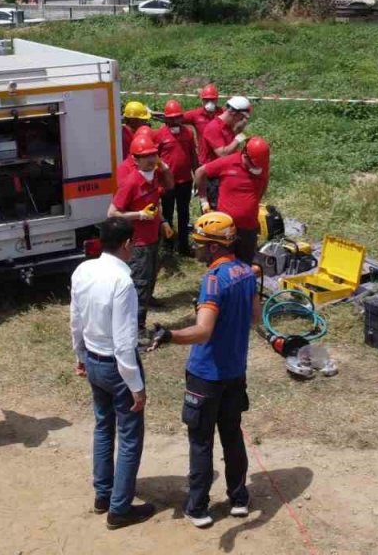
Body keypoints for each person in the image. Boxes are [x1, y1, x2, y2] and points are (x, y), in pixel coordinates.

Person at [148, 212, 261, 529]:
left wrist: (169, 335)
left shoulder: (212, 281)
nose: (195, 248)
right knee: (232, 435)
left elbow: (203, 331)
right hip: (235, 372)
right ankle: (239, 499)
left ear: (213, 247)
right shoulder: (246, 271)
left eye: (198, 243)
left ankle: (197, 507)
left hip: (206, 376)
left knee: (201, 442)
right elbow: (255, 318)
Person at [70, 217, 156, 530]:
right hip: (117, 366)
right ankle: (119, 509)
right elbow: (123, 342)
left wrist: (80, 355)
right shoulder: (123, 282)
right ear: (127, 244)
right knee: (130, 437)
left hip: (93, 359)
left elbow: (76, 319)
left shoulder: (83, 270)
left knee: (103, 427)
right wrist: (136, 385)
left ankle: (103, 494)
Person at [108, 132, 173, 337]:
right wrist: (139, 215)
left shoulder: (153, 178)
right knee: (140, 286)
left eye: (153, 154)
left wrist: (162, 221)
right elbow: (112, 213)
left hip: (152, 239)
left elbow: (157, 202)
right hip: (139, 244)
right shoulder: (131, 182)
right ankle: (135, 331)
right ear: (135, 160)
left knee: (149, 284)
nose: (151, 159)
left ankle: (138, 326)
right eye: (146, 156)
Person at [193, 137, 270, 264]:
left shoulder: (262, 166)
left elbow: (263, 186)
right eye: (253, 164)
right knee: (222, 263)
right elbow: (200, 172)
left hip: (248, 228)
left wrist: (250, 205)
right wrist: (203, 200)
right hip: (225, 228)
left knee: (246, 265)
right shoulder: (228, 162)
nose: (255, 168)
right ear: (245, 155)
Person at [157, 100, 198, 256]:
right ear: (166, 119)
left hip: (185, 181)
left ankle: (183, 246)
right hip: (167, 183)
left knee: (184, 213)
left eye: (177, 117)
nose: (175, 120)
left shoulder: (188, 133)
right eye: (171, 118)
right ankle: (168, 245)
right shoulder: (159, 135)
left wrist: (197, 175)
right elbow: (154, 159)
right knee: (167, 213)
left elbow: (193, 156)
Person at [200, 96, 252, 209]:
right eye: (242, 117)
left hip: (224, 176)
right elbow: (222, 154)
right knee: (216, 213)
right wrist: (238, 139)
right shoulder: (214, 127)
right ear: (233, 113)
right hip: (212, 180)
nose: (242, 120)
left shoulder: (228, 127)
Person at [182, 84, 221, 166]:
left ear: (217, 100)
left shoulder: (223, 114)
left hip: (220, 159)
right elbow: (178, 118)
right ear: (202, 100)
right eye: (206, 100)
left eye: (212, 100)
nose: (209, 103)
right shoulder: (195, 114)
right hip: (204, 160)